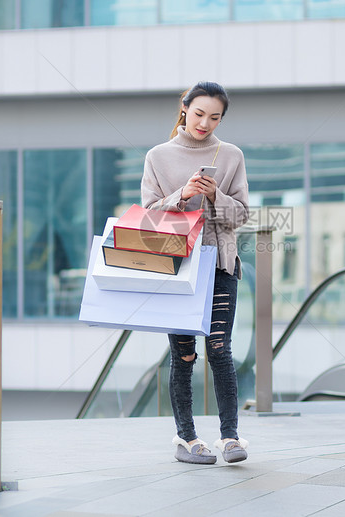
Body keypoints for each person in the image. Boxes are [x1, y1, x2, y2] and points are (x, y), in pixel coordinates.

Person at [141, 81, 250, 464]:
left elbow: (241, 215)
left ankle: (231, 437)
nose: (205, 123)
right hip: (177, 267)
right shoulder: (158, 156)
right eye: (199, 113)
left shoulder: (231, 155)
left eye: (215, 117)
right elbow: (149, 215)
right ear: (184, 108)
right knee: (184, 356)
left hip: (220, 264)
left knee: (220, 350)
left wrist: (215, 195)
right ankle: (187, 438)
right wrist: (183, 195)